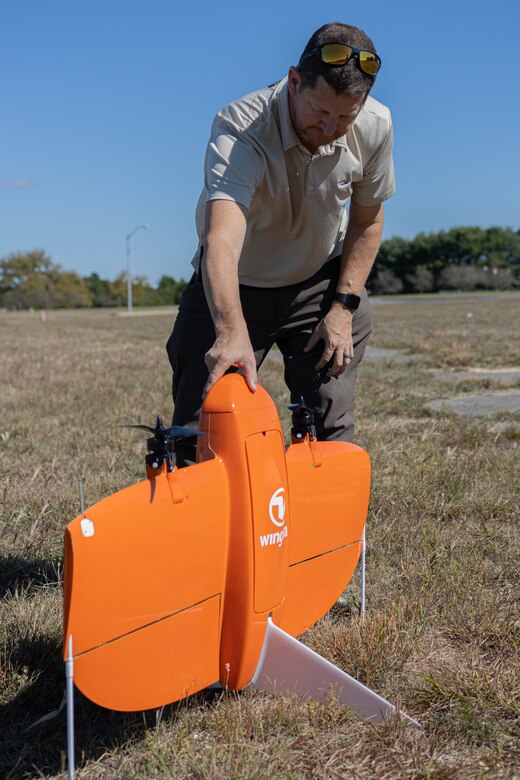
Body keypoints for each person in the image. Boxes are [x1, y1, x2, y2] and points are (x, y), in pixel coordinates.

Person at [167, 21, 395, 465]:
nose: (330, 127)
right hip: (235, 285)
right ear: (294, 81)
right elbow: (222, 237)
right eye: (318, 111)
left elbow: (368, 220)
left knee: (329, 429)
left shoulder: (375, 124)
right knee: (197, 433)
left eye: (346, 116)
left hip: (318, 285)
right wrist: (230, 331)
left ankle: (327, 530)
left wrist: (343, 308)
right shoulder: (240, 127)